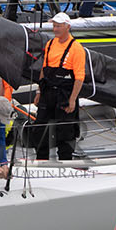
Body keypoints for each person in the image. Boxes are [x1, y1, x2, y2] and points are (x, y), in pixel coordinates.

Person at [31, 13, 86, 160]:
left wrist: (73, 99)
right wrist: (39, 92)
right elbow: (44, 69)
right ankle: (41, 159)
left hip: (65, 94)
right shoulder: (50, 44)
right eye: (54, 26)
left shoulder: (77, 48)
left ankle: (65, 161)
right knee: (39, 127)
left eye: (59, 26)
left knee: (65, 130)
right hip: (47, 92)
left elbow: (80, 77)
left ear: (67, 27)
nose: (55, 29)